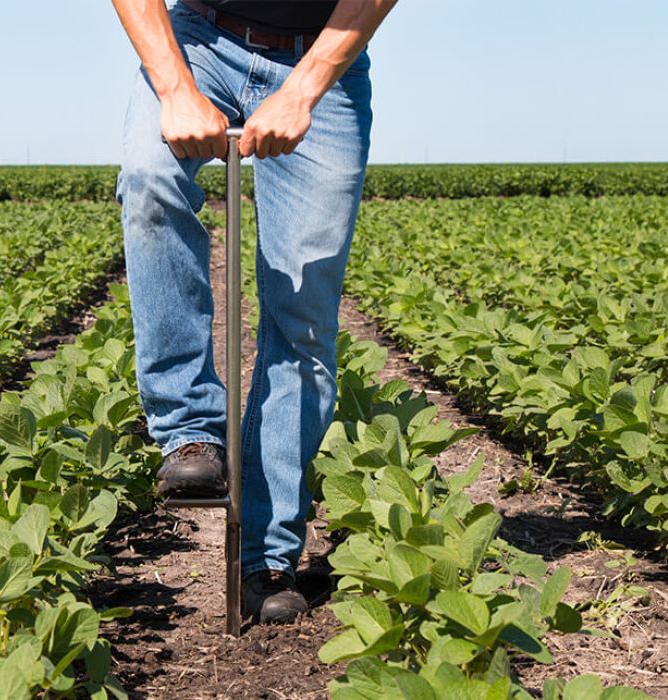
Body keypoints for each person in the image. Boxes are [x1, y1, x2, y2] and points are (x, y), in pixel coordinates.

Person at [111, 0, 397, 624]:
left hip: (325, 54)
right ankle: (190, 432)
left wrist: (304, 88)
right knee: (150, 177)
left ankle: (268, 554)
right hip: (199, 41)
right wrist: (176, 87)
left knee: (304, 312)